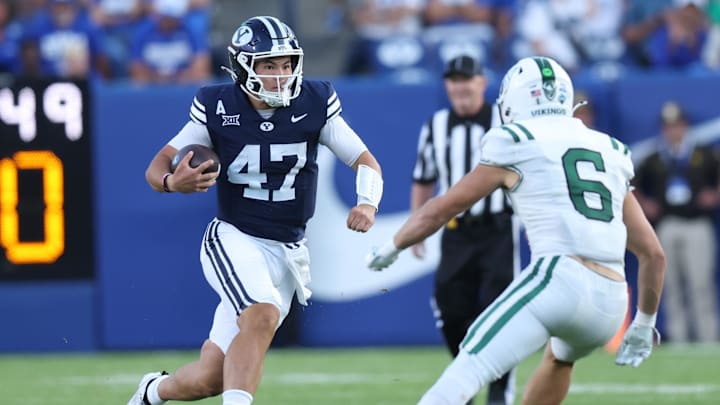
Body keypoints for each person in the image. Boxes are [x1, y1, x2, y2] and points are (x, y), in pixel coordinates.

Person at [367, 56, 666, 405]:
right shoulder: (610, 149)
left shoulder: (516, 139)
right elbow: (653, 253)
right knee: (559, 359)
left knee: (469, 365)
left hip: (559, 279)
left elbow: (445, 205)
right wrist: (644, 324)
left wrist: (393, 245)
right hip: (611, 301)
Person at [128, 15, 383, 405]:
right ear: (243, 65)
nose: (280, 75)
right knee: (261, 314)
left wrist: (367, 202)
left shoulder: (314, 101)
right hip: (235, 236)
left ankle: (151, 392)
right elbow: (157, 165)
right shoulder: (216, 105)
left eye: (286, 64)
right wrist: (170, 182)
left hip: (289, 249)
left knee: (210, 377)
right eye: (268, 65)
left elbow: (365, 161)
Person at [410, 54, 517, 405]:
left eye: (466, 79)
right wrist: (418, 226)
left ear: (482, 83)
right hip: (455, 231)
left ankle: (500, 388)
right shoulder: (436, 125)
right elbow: (424, 179)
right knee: (450, 308)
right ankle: (465, 380)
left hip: (497, 228)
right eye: (453, 80)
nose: (459, 86)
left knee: (499, 309)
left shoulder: (505, 121)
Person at [633, 100, 720, 343]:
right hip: (667, 224)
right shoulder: (654, 158)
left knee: (700, 283)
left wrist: (714, 194)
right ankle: (679, 338)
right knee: (669, 285)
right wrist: (645, 205)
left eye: (678, 125)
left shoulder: (705, 153)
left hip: (698, 223)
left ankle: (707, 337)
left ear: (686, 126)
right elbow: (632, 187)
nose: (674, 131)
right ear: (663, 129)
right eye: (669, 126)